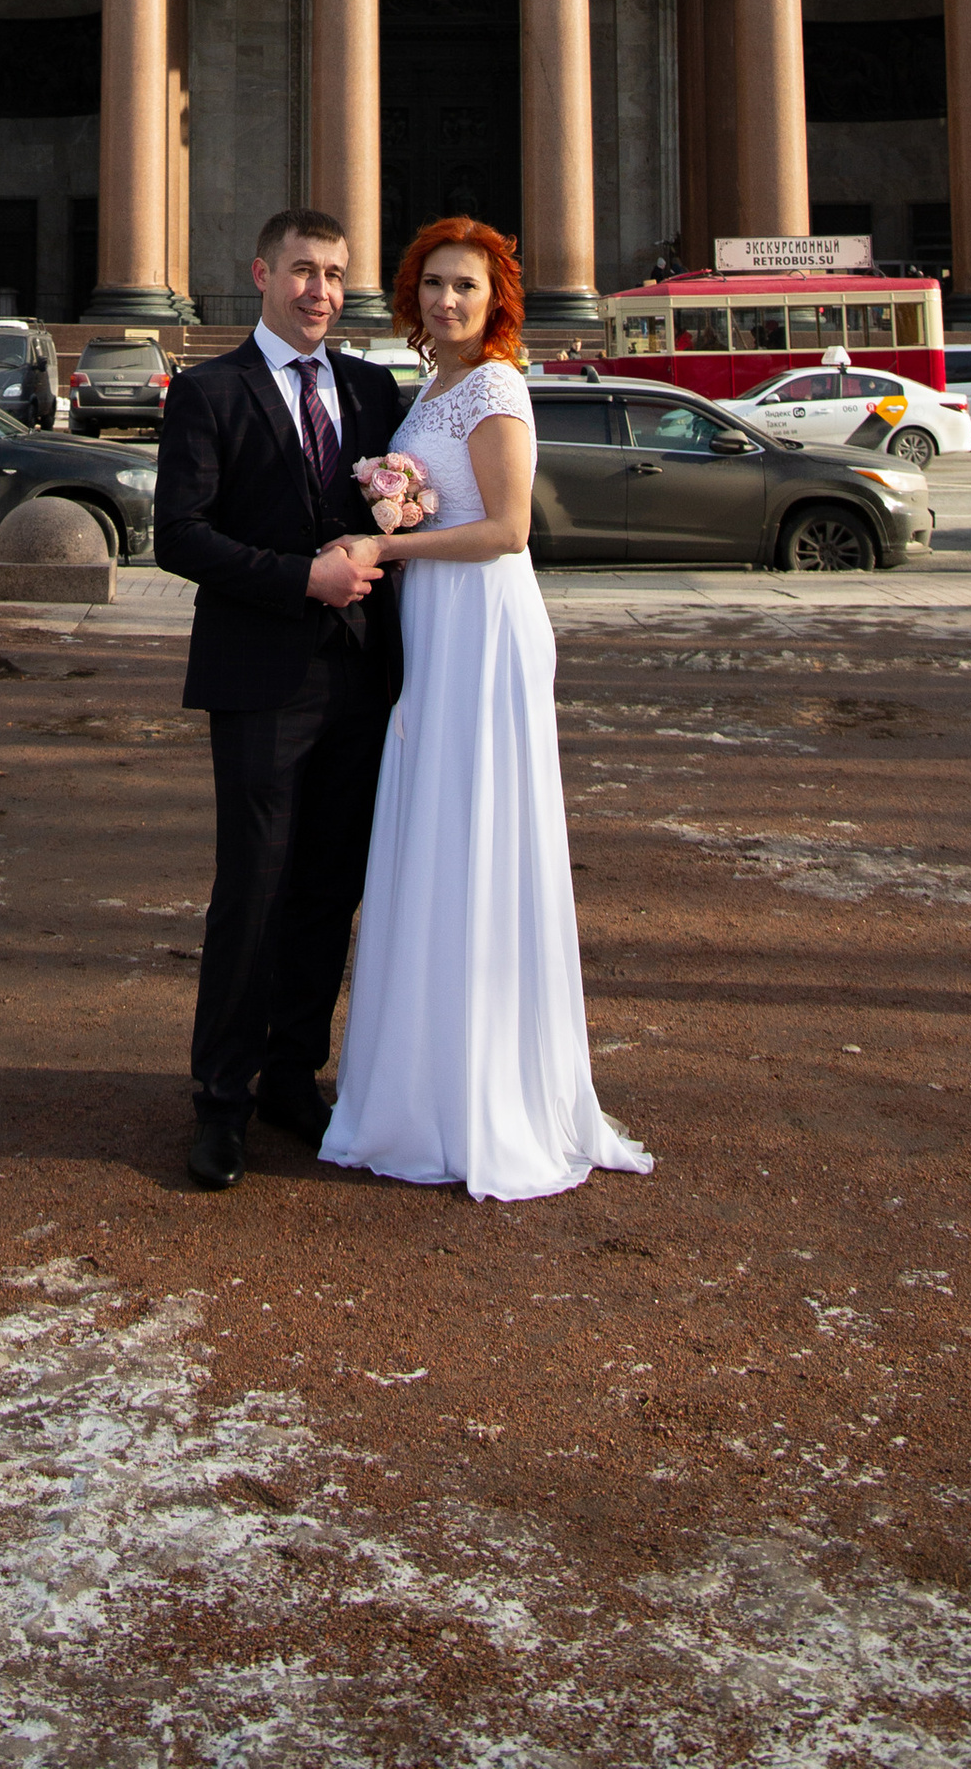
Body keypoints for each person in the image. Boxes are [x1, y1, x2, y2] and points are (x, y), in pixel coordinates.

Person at [323, 215, 652, 1206]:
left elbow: (507, 531)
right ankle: (421, 1086)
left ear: (495, 296)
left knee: (476, 836)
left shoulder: (499, 385)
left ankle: (483, 1097)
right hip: (436, 625)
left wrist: (385, 546)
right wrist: (400, 513)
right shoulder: (430, 386)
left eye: (465, 285)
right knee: (433, 838)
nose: (447, 300)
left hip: (484, 625)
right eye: (432, 284)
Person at [153, 208, 409, 1192]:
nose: (321, 292)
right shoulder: (210, 390)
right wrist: (296, 578)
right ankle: (218, 1101)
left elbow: (395, 506)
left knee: (324, 891)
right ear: (261, 273)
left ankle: (290, 1076)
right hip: (261, 677)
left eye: (336, 276)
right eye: (303, 272)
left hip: (358, 678)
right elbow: (179, 535)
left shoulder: (370, 387)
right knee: (251, 892)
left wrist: (396, 523)